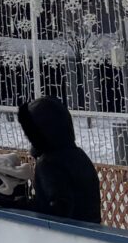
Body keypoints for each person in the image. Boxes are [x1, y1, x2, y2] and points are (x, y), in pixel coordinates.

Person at [20, 95, 104, 225]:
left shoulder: (49, 164)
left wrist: (21, 205)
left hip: (68, 239)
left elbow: (58, 211)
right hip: (90, 235)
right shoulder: (79, 155)